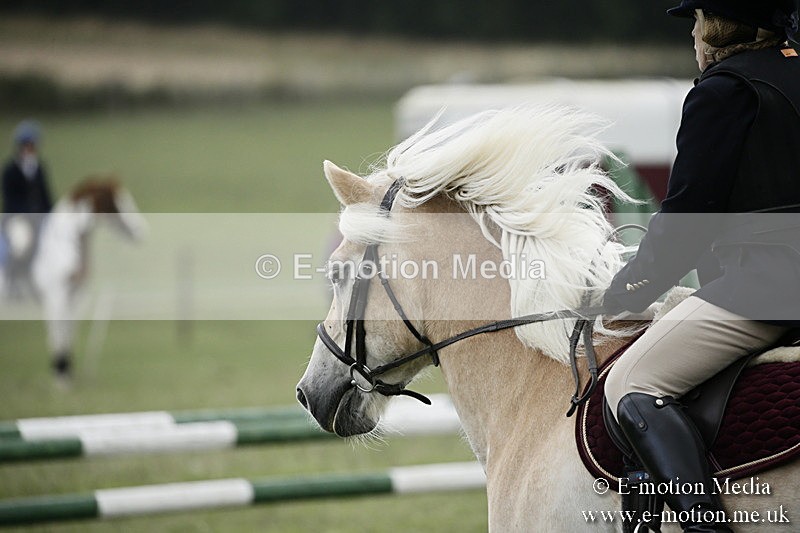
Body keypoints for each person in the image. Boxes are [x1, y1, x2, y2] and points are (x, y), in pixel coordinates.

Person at [602, 1, 800, 531]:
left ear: (717, 26)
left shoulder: (723, 92)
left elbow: (688, 221)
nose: (692, 34)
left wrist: (624, 294)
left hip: (772, 289)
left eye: (695, 21)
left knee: (631, 384)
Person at [1, 120, 54, 298]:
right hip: (17, 218)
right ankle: (12, 279)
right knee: (21, 243)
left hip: (39, 217)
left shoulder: (39, 168)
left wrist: (52, 214)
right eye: (27, 145)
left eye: (33, 145)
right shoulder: (10, 171)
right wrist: (28, 213)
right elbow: (10, 201)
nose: (30, 149)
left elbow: (46, 197)